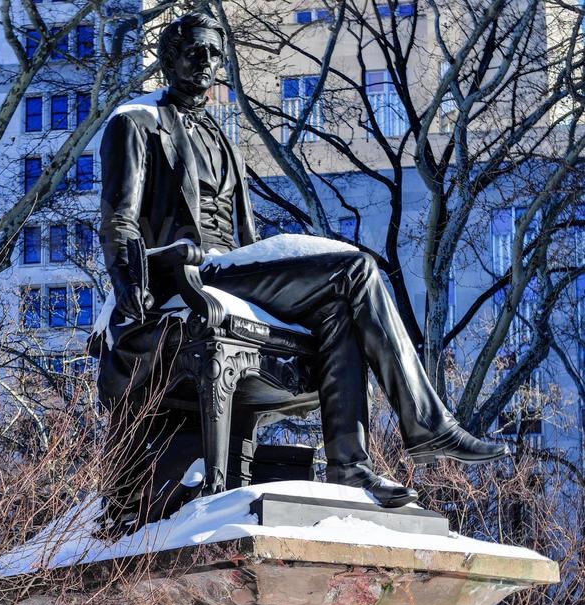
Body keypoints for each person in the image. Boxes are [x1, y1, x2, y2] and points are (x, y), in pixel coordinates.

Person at [95, 12, 504, 526]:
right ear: (167, 56)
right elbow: (119, 221)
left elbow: (245, 235)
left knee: (340, 308)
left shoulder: (222, 139)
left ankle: (350, 466)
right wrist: (132, 292)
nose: (207, 62)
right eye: (195, 50)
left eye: (215, 54)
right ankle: (426, 423)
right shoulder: (135, 123)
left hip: (235, 268)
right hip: (190, 275)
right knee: (355, 271)